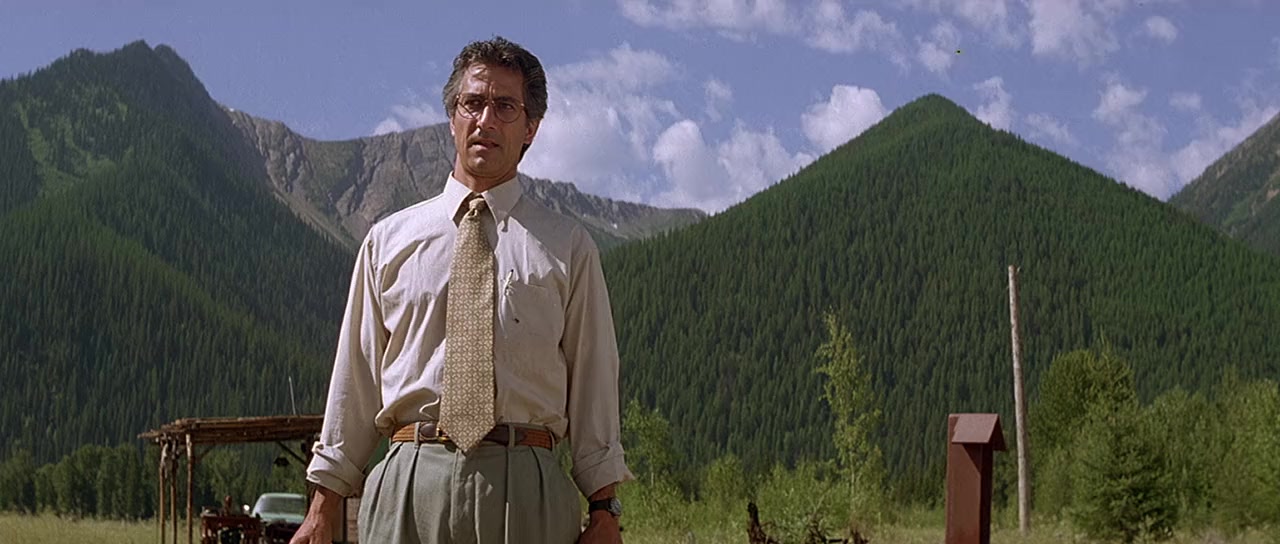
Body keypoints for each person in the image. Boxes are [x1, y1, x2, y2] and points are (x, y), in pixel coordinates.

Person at [290, 36, 632, 544]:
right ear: (452, 117)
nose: (485, 120)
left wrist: (605, 509)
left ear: (531, 128)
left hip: (527, 489)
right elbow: (354, 379)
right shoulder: (388, 241)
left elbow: (594, 379)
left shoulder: (568, 246)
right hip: (408, 484)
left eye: (505, 107)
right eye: (473, 103)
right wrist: (323, 505)